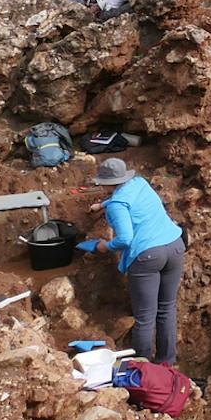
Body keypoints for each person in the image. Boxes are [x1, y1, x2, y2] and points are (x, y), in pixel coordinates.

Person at [77, 156, 187, 365]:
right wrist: (103, 204)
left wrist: (104, 246)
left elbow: (125, 239)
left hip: (148, 257)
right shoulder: (139, 183)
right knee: (167, 308)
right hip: (174, 245)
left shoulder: (117, 205)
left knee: (145, 318)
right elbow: (127, 198)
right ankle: (167, 364)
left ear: (106, 183)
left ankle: (143, 370)